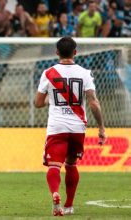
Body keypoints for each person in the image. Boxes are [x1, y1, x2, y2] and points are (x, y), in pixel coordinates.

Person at [34, 37, 106, 216]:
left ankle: (55, 194)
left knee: (54, 166)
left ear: (57, 52)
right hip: (77, 127)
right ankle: (69, 205)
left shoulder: (48, 73)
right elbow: (94, 103)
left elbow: (38, 103)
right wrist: (101, 128)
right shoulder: (85, 73)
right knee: (71, 164)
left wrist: (53, 98)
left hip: (57, 126)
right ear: (75, 52)